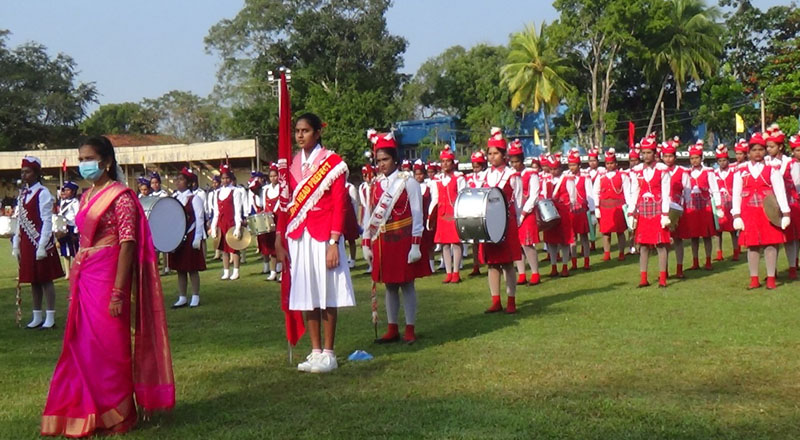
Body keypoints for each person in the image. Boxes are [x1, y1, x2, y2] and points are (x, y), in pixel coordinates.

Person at [41, 136, 174, 437]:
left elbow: (128, 245)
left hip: (108, 277)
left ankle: (119, 414)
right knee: (83, 347)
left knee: (110, 347)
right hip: (86, 277)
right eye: (81, 158)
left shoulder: (121, 197)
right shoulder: (87, 196)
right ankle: (89, 412)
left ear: (107, 162)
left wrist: (118, 291)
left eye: (89, 158)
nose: (83, 164)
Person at [274, 113, 355, 374]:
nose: (300, 135)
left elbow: (340, 205)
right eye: (297, 130)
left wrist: (334, 241)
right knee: (307, 293)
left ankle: (329, 352)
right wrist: (279, 235)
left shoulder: (332, 163)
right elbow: (285, 206)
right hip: (299, 237)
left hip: (324, 236)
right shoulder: (292, 165)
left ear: (317, 133)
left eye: (305, 131)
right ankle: (315, 350)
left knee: (326, 291)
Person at [363, 131, 430, 344]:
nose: (382, 164)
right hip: (383, 242)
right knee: (389, 285)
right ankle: (392, 328)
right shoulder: (374, 185)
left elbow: (418, 214)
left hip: (404, 239)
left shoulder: (407, 182)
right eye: (378, 160)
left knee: (407, 284)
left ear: (395, 159)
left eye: (386, 159)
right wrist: (366, 242)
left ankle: (410, 327)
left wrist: (416, 245)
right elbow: (369, 215)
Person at [732, 132, 791, 289]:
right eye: (754, 150)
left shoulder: (772, 169)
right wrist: (736, 215)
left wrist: (785, 213)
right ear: (748, 152)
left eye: (761, 149)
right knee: (752, 246)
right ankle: (754, 279)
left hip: (768, 213)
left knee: (771, 245)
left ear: (765, 151)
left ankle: (771, 278)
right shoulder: (740, 171)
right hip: (749, 213)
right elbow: (736, 194)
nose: (757, 153)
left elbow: (780, 191)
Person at [13, 156, 64, 329]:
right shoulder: (22, 194)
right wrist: (16, 243)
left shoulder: (42, 193)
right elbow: (19, 221)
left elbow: (47, 220)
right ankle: (37, 315)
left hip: (41, 241)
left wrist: (42, 245)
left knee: (45, 279)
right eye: (22, 172)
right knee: (33, 279)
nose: (24, 175)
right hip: (27, 242)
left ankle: (50, 316)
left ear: (35, 173)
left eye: (27, 172)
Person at [481, 128, 522, 313]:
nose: (492, 157)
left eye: (496, 153)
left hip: (507, 223)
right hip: (488, 225)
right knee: (492, 263)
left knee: (507, 263)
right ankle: (495, 300)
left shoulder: (512, 175)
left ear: (504, 154)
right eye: (489, 153)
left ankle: (511, 300)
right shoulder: (484, 176)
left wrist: (517, 222)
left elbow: (518, 202)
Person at [630, 133, 672, 288]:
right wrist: (631, 211)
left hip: (658, 210)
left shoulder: (662, 170)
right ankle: (643, 278)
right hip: (643, 211)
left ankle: (662, 278)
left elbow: (666, 192)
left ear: (655, 153)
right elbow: (634, 192)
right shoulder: (636, 170)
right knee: (643, 245)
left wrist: (665, 214)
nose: (646, 155)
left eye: (649, 152)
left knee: (661, 244)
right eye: (644, 152)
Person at [764, 124, 800, 280]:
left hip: (789, 204)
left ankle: (792, 267)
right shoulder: (765, 162)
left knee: (790, 238)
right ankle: (773, 270)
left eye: (771, 146)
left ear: (780, 147)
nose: (768, 150)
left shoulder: (790, 163)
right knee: (773, 239)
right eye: (767, 147)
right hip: (771, 204)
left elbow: (797, 185)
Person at [170, 167, 206, 308]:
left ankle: (195, 295)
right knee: (180, 269)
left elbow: (200, 218)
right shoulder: (173, 198)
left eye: (181, 180)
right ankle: (182, 296)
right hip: (178, 237)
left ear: (189, 182)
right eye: (177, 180)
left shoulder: (194, 198)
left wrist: (198, 237)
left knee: (192, 268)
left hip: (190, 235)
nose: (178, 182)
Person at [429, 145, 465, 283]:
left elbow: (463, 196)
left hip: (454, 214)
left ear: (452, 162)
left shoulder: (459, 178)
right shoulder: (437, 180)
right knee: (444, 244)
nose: (445, 164)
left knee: (456, 243)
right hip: (442, 215)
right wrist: (429, 216)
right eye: (443, 161)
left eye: (447, 161)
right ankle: (448, 272)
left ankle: (456, 271)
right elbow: (435, 198)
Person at [683, 140, 722, 271]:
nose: (694, 160)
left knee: (706, 235)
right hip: (692, 207)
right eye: (692, 158)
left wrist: (719, 205)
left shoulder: (708, 172)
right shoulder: (687, 173)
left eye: (696, 158)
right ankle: (695, 261)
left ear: (701, 158)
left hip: (705, 206)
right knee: (694, 237)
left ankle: (708, 260)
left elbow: (715, 189)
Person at [508, 140, 541, 285]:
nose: (514, 165)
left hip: (527, 213)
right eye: (512, 161)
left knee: (528, 244)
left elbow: (534, 195)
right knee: (517, 244)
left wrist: (523, 213)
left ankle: (535, 272)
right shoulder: (510, 174)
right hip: (513, 213)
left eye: (517, 161)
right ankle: (521, 273)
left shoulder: (531, 174)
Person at [541, 152, 575, 277]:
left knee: (564, 241)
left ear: (560, 168)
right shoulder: (546, 181)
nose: (554, 171)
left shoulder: (567, 179)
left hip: (564, 213)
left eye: (556, 168)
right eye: (551, 169)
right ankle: (554, 266)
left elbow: (572, 197)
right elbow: (544, 195)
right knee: (551, 241)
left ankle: (565, 266)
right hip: (550, 213)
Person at [593, 148, 631, 261]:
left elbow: (627, 192)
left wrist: (629, 208)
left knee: (620, 232)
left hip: (618, 207)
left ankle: (621, 252)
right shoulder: (601, 177)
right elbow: (596, 192)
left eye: (612, 163)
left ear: (616, 163)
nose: (610, 165)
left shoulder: (623, 176)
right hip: (604, 207)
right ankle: (607, 253)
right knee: (606, 232)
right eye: (608, 163)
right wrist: (596, 207)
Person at [662, 138, 690, 278]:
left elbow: (687, 192)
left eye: (670, 156)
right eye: (666, 156)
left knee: (678, 240)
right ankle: (664, 269)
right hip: (663, 209)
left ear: (675, 156)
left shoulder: (682, 172)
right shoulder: (660, 171)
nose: (668, 159)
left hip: (678, 209)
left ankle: (679, 268)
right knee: (664, 240)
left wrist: (684, 209)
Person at [210, 164, 243, 280]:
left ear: (231, 179)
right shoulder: (217, 193)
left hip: (232, 222)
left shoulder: (236, 191)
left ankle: (236, 270)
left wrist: (238, 227)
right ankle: (226, 271)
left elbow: (238, 210)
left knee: (234, 247)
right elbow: (216, 212)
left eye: (227, 178)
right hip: (221, 223)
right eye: (223, 178)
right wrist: (214, 227)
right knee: (223, 248)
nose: (225, 180)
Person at [567, 148, 595, 270]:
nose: (572, 167)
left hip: (582, 211)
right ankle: (573, 262)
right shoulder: (566, 177)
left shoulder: (585, 177)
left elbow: (590, 194)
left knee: (584, 237)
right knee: (572, 238)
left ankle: (586, 261)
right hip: (571, 212)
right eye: (570, 165)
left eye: (574, 165)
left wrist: (592, 211)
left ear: (579, 165)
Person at [713, 144, 739, 261]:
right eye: (720, 160)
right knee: (718, 231)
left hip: (731, 203)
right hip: (720, 204)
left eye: (724, 160)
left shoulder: (734, 171)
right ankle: (719, 253)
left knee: (733, 230)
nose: (722, 163)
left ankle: (736, 252)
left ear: (728, 160)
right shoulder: (714, 174)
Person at [465, 150, 488, 277]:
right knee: (474, 241)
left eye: (478, 166)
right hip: (473, 210)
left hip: (485, 210)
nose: (475, 169)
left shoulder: (487, 176)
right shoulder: (469, 178)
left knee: (486, 240)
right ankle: (475, 265)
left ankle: (488, 261)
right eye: (474, 166)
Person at [413, 160, 436, 273]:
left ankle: (431, 266)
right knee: (418, 243)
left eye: (421, 173)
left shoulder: (429, 186)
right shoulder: (412, 187)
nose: (419, 176)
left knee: (430, 244)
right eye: (416, 174)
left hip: (427, 217)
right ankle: (419, 266)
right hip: (416, 219)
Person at [247, 175, 271, 274]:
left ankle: (277, 266)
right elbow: (253, 207)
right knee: (263, 244)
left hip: (268, 218)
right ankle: (266, 266)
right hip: (259, 220)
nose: (255, 192)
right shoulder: (253, 197)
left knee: (272, 243)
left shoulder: (265, 192)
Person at [56, 181, 80, 279]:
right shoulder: (63, 201)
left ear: (73, 191)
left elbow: (78, 216)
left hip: (71, 227)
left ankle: (76, 271)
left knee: (74, 250)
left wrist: (76, 230)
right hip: (63, 227)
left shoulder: (75, 202)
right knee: (65, 251)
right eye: (64, 190)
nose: (65, 192)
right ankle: (67, 273)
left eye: (67, 190)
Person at [263, 165, 281, 281]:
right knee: (271, 247)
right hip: (269, 220)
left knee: (281, 246)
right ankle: (273, 271)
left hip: (279, 219)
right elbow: (265, 205)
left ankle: (283, 272)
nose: (273, 178)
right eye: (271, 176)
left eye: (275, 176)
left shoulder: (282, 188)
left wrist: (273, 213)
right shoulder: (266, 189)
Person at [358, 164, 376, 273]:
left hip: (376, 215)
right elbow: (362, 204)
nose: (367, 178)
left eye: (368, 174)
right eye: (365, 175)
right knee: (366, 243)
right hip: (367, 216)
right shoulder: (362, 187)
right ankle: (370, 264)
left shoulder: (377, 184)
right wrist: (360, 220)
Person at [344, 172, 360, 269]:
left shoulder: (350, 187)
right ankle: (345, 258)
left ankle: (353, 260)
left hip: (349, 216)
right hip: (341, 217)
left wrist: (355, 217)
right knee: (341, 240)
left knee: (351, 239)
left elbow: (355, 203)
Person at [206, 175, 221, 260]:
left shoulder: (220, 192)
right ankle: (217, 253)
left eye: (216, 182)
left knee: (220, 233)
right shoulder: (211, 193)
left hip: (219, 213)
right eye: (213, 182)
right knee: (214, 234)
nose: (214, 184)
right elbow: (208, 205)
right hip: (213, 213)